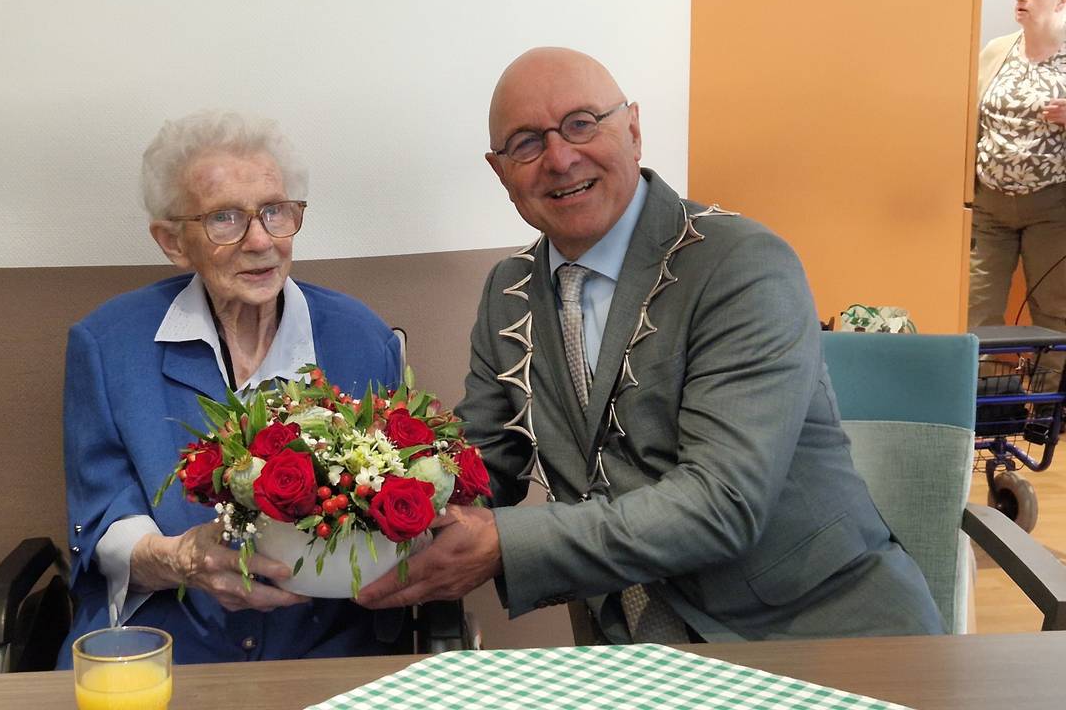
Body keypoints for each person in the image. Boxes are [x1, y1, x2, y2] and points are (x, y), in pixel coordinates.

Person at [357, 47, 943, 643]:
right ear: (500, 170)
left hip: (814, 637)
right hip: (631, 650)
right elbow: (484, 461)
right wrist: (354, 503)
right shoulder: (509, 290)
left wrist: (503, 544)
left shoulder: (742, 266)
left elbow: (722, 504)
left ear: (633, 129)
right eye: (527, 142)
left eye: (582, 123)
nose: (560, 158)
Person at [57, 109, 402, 666]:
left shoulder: (361, 339)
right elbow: (103, 520)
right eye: (224, 218)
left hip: (321, 651)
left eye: (274, 211)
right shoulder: (108, 344)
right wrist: (179, 560)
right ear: (173, 241)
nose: (260, 241)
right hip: (159, 648)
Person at [970, 0, 1066, 341]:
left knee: (1055, 305)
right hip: (988, 204)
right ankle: (982, 390)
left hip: (1054, 208)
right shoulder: (996, 50)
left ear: (1061, 0)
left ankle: (1050, 393)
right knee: (976, 304)